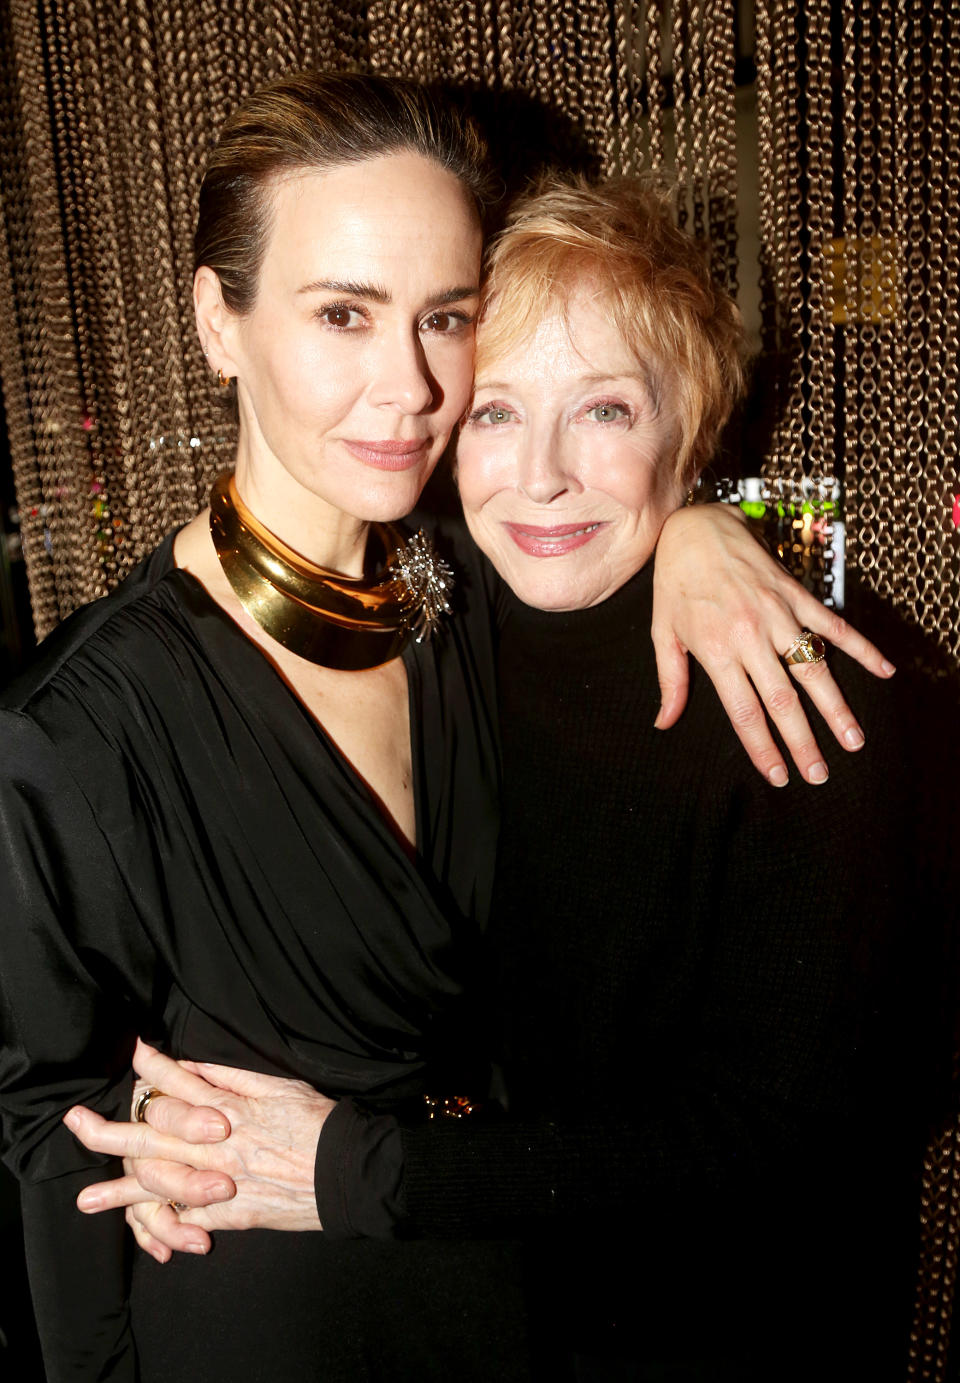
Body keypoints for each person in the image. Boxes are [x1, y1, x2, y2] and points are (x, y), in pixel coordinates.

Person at [1, 73, 894, 1381]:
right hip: (288, 1328)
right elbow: (43, 1126)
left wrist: (724, 522)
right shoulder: (75, 728)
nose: (409, 386)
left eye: (445, 319)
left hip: (529, 1295)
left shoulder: (464, 581)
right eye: (342, 315)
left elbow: (687, 520)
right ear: (219, 320)